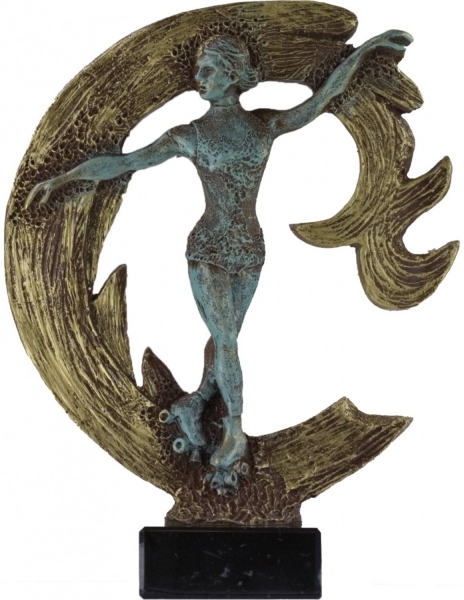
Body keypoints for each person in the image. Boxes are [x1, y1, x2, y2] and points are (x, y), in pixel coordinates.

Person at [25, 30, 413, 489]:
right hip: (208, 249)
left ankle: (194, 405)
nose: (198, 78)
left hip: (250, 250)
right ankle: (233, 431)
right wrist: (64, 179)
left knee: (222, 339)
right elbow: (125, 162)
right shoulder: (190, 136)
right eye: (197, 71)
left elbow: (325, 97)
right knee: (226, 340)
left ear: (232, 74)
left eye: (207, 70)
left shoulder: (265, 125)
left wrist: (366, 51)